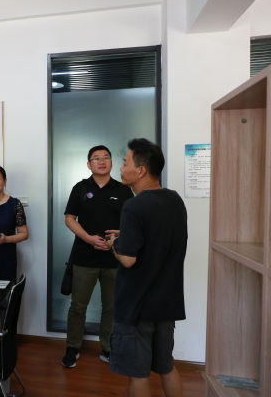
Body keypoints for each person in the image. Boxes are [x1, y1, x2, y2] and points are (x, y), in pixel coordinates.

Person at [105, 138, 187, 397]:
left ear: (140, 170)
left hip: (137, 306)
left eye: (124, 163)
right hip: (167, 303)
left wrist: (115, 244)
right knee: (167, 367)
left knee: (138, 374)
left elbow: (128, 259)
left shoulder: (134, 205)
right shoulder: (174, 200)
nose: (120, 168)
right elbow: (159, 237)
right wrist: (128, 236)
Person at [62, 145, 133, 369]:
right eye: (96, 158)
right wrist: (89, 239)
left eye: (105, 158)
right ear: (89, 164)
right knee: (78, 306)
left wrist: (117, 237)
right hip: (84, 257)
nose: (101, 161)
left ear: (111, 163)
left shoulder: (123, 190)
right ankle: (72, 347)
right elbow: (69, 218)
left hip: (115, 258)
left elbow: (132, 223)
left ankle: (108, 348)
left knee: (111, 307)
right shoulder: (81, 188)